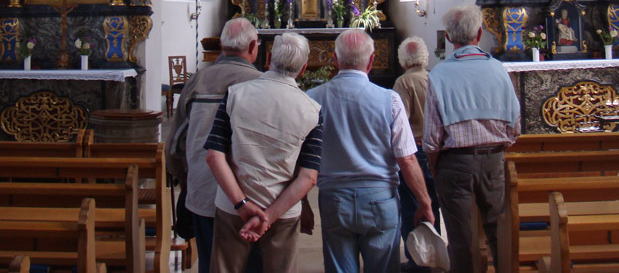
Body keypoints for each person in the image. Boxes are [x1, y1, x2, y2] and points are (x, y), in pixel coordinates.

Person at [307, 29, 435, 273]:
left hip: (334, 198)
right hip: (380, 197)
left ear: (334, 59)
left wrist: (302, 203)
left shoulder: (313, 98)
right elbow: (407, 159)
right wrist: (424, 201)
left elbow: (304, 157)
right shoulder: (389, 100)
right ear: (372, 60)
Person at [205, 32, 322, 273]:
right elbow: (308, 177)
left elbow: (214, 156)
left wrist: (242, 204)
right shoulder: (312, 110)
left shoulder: (235, 94)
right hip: (283, 211)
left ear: (268, 58)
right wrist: (268, 216)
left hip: (232, 206)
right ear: (303, 69)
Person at [423, 5, 521, 273]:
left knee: (461, 238)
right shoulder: (499, 70)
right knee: (499, 232)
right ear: (479, 33)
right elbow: (515, 127)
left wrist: (434, 166)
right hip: (493, 160)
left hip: (454, 164)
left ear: (449, 38)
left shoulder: (440, 74)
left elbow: (432, 138)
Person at [166, 18, 263, 273]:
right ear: (254, 47)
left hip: (204, 189)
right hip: (251, 194)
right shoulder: (262, 85)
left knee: (210, 262)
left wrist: (187, 181)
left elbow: (175, 144)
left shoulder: (197, 81)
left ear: (221, 45)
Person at [393, 36, 440, 273]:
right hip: (435, 150)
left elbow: (400, 122)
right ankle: (435, 255)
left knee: (413, 205)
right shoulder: (435, 79)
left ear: (403, 59)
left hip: (414, 151)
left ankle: (417, 261)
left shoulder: (404, 83)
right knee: (433, 204)